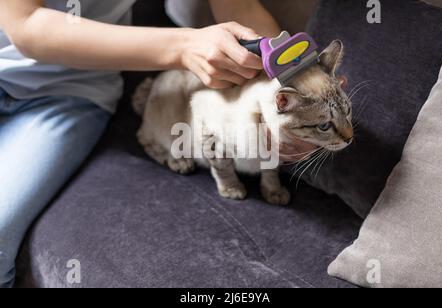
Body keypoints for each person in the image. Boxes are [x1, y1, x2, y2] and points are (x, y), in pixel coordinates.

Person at [0, 0, 313, 288]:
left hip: (66, 94)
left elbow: (238, 7)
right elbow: (27, 26)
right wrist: (183, 47)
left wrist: (290, 82)